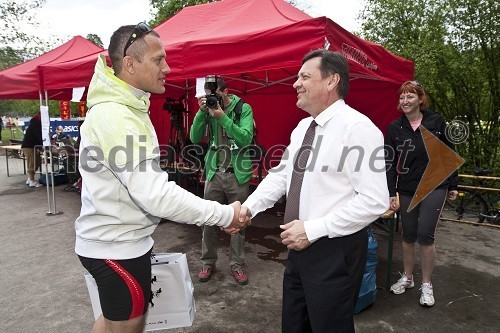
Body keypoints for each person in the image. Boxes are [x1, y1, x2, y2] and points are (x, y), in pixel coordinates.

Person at [75, 23, 248, 333]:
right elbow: (156, 195)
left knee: (111, 324)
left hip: (117, 244)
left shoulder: (126, 109)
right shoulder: (118, 116)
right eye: (158, 60)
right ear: (130, 64)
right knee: (126, 326)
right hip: (117, 249)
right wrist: (223, 213)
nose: (167, 68)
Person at [239, 49, 389, 332]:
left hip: (335, 249)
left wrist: (315, 229)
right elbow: (282, 175)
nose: (296, 83)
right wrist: (249, 208)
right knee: (295, 324)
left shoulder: (357, 128)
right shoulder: (302, 127)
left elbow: (374, 201)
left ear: (331, 81)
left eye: (304, 76)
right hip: (298, 244)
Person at [385, 80, 459, 307]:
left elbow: (449, 153)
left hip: (435, 186)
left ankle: (426, 284)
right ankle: (407, 277)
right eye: (402, 97)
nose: (405, 101)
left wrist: (453, 184)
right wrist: (390, 192)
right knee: (408, 235)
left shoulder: (436, 122)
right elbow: (389, 162)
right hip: (406, 188)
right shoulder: (394, 128)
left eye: (410, 96)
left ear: (420, 99)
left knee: (426, 235)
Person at [189, 76, 254, 285]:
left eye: (215, 94)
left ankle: (237, 265)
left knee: (239, 222)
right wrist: (201, 112)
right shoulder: (207, 109)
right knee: (208, 220)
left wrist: (221, 116)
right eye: (209, 96)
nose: (212, 99)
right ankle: (208, 262)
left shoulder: (243, 108)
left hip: (237, 173)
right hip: (214, 173)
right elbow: (194, 137)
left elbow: (245, 138)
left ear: (225, 91)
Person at [21, 113, 43, 188]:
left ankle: (29, 179)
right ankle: (32, 181)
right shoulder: (36, 124)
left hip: (30, 146)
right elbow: (39, 136)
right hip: (29, 146)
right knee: (32, 163)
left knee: (37, 161)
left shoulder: (35, 123)